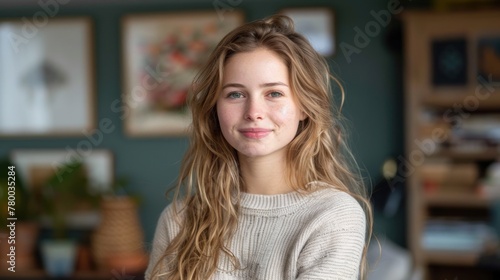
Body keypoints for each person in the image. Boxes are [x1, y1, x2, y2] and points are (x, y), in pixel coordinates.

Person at [146, 14, 373, 280]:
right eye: (236, 94)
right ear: (214, 109)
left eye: (274, 93)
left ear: (304, 107)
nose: (254, 112)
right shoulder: (178, 220)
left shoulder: (333, 215)